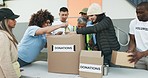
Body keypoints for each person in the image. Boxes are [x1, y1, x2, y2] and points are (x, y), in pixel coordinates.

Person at [0, 8, 21, 78]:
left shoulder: (5, 34)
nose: (15, 21)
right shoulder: (2, 36)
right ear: (5, 21)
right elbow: (5, 62)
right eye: (12, 19)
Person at [128, 2, 148, 70]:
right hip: (139, 56)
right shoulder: (133, 23)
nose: (138, 15)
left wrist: (142, 54)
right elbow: (132, 40)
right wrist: (130, 50)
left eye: (141, 12)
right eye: (137, 13)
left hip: (141, 54)